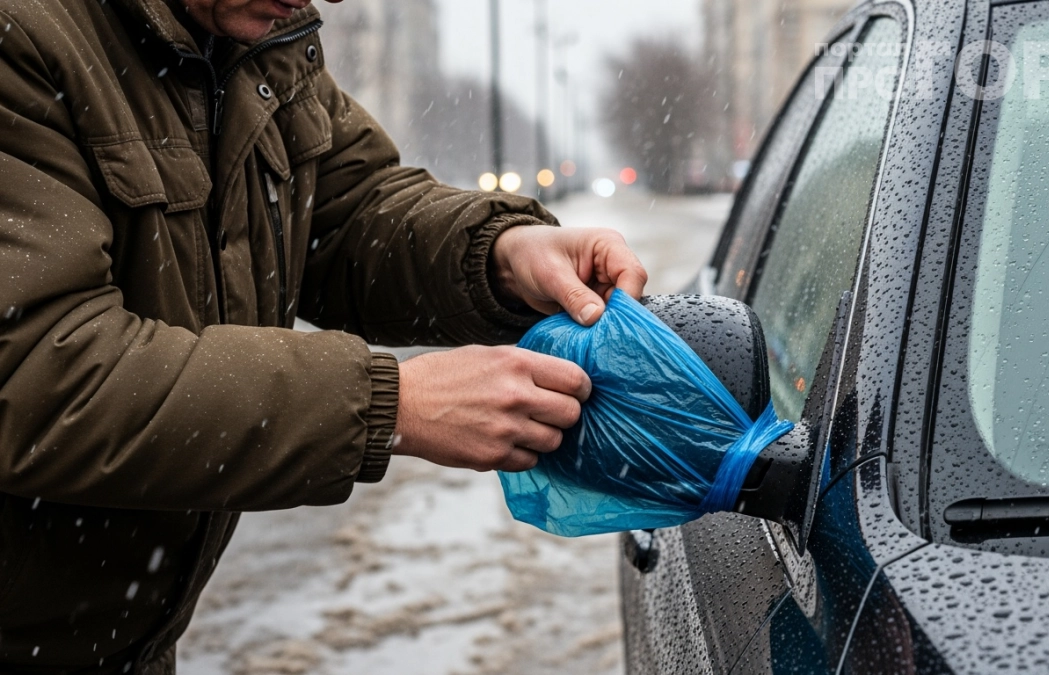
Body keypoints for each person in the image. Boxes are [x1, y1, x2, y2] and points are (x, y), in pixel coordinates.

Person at [0, 0, 647, 672]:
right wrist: (390, 404)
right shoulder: (24, 33)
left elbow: (345, 212)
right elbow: (40, 373)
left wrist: (501, 252)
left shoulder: (260, 38)